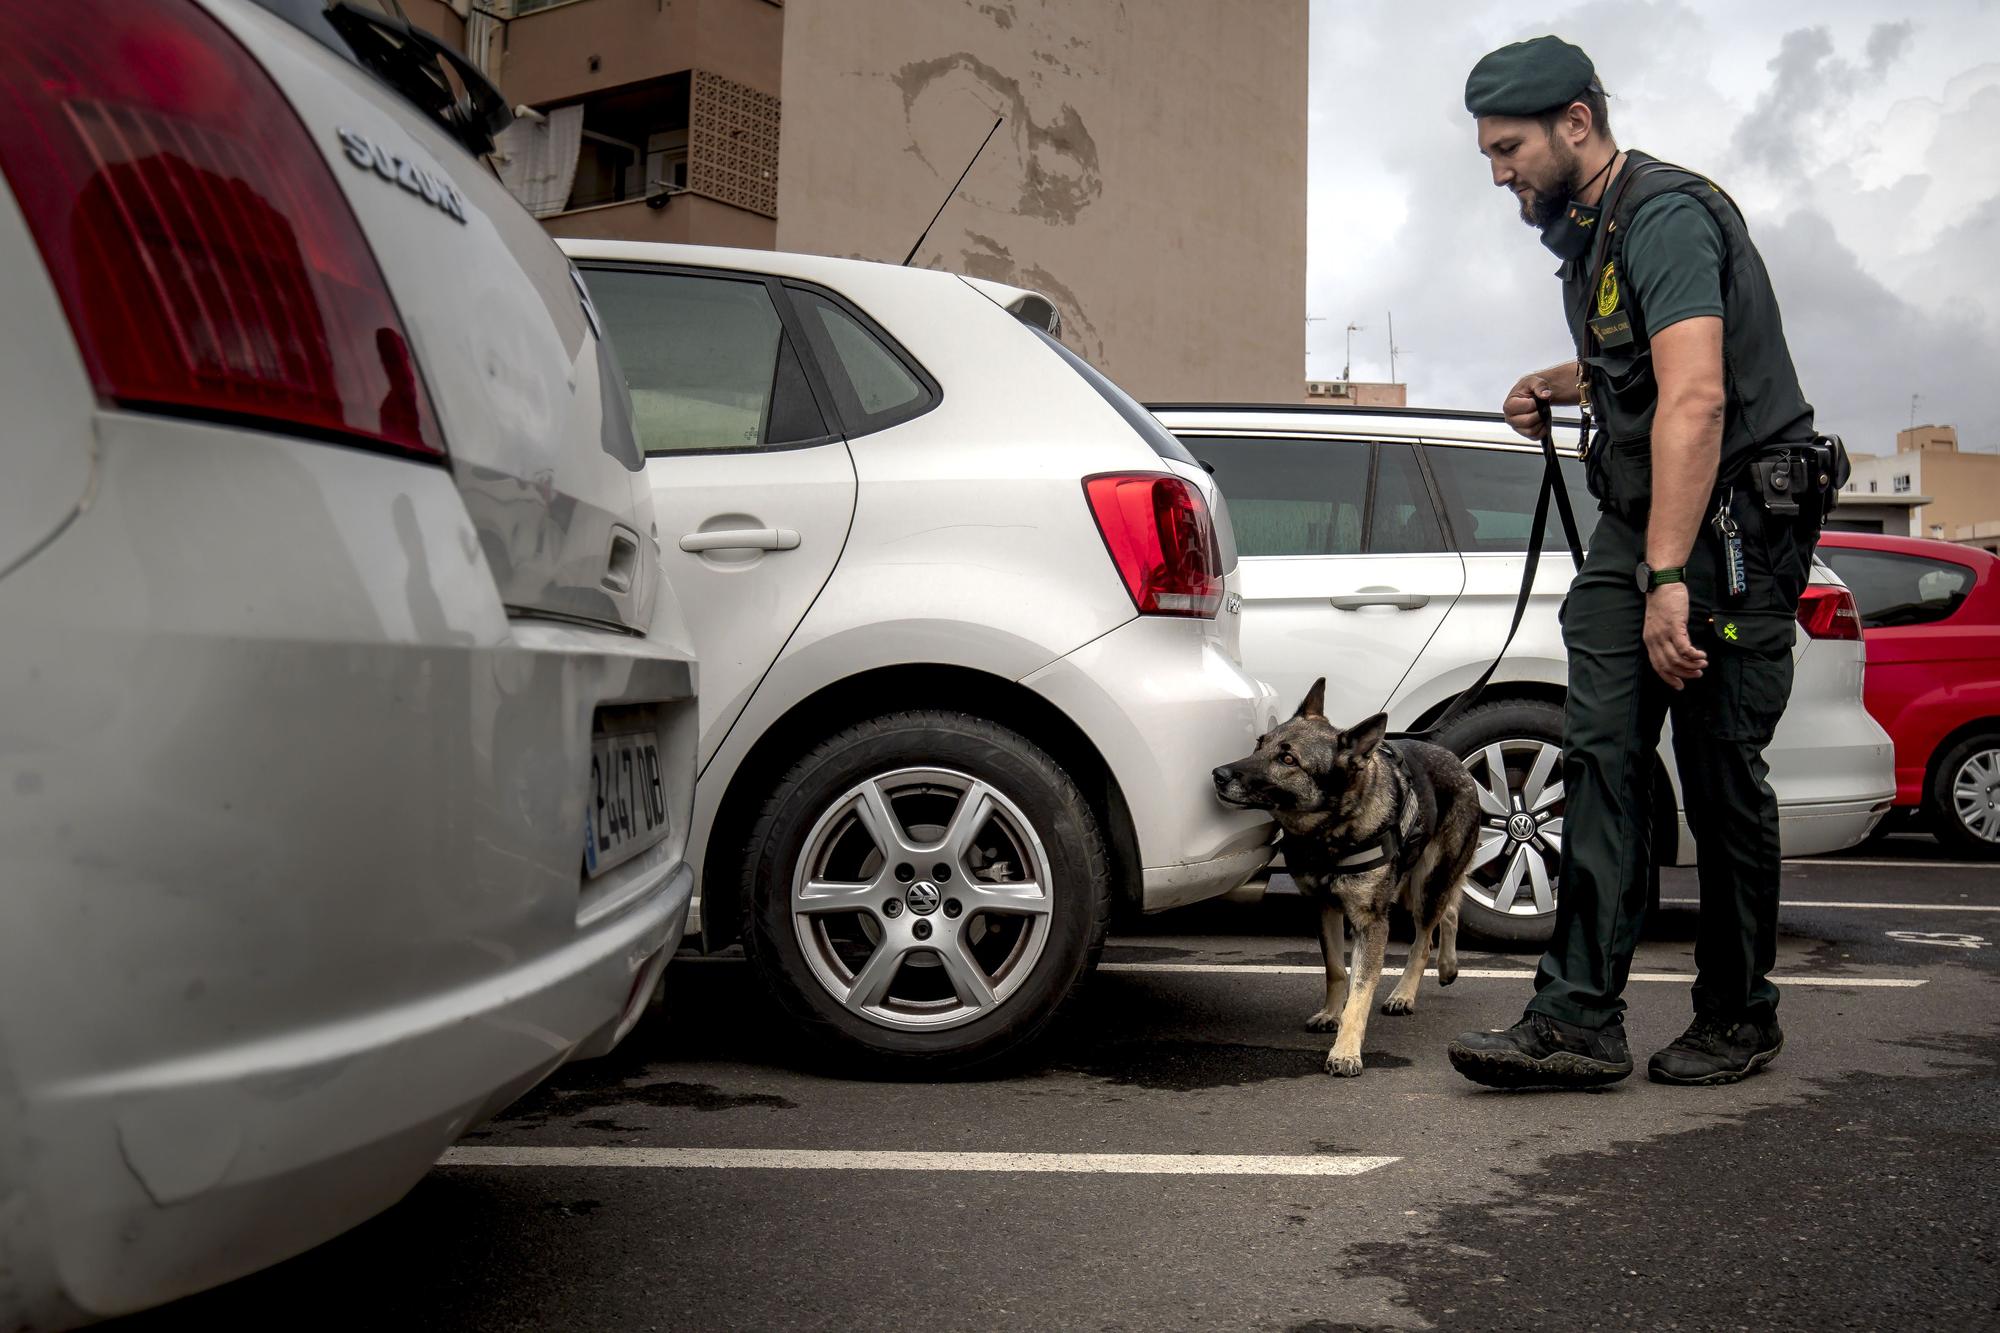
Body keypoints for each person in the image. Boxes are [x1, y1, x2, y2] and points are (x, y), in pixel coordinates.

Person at [1446, 35, 1832, 1089]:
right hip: (1645, 524)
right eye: (1485, 152)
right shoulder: (1590, 237)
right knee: (1600, 760)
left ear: (1576, 122)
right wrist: (1558, 381)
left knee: (1715, 776)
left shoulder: (1662, 216)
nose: (1496, 172)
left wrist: (1666, 577)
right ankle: (1575, 1017)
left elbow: (1697, 394)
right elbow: (1640, 359)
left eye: (1509, 146)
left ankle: (1737, 1014)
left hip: (1729, 535)